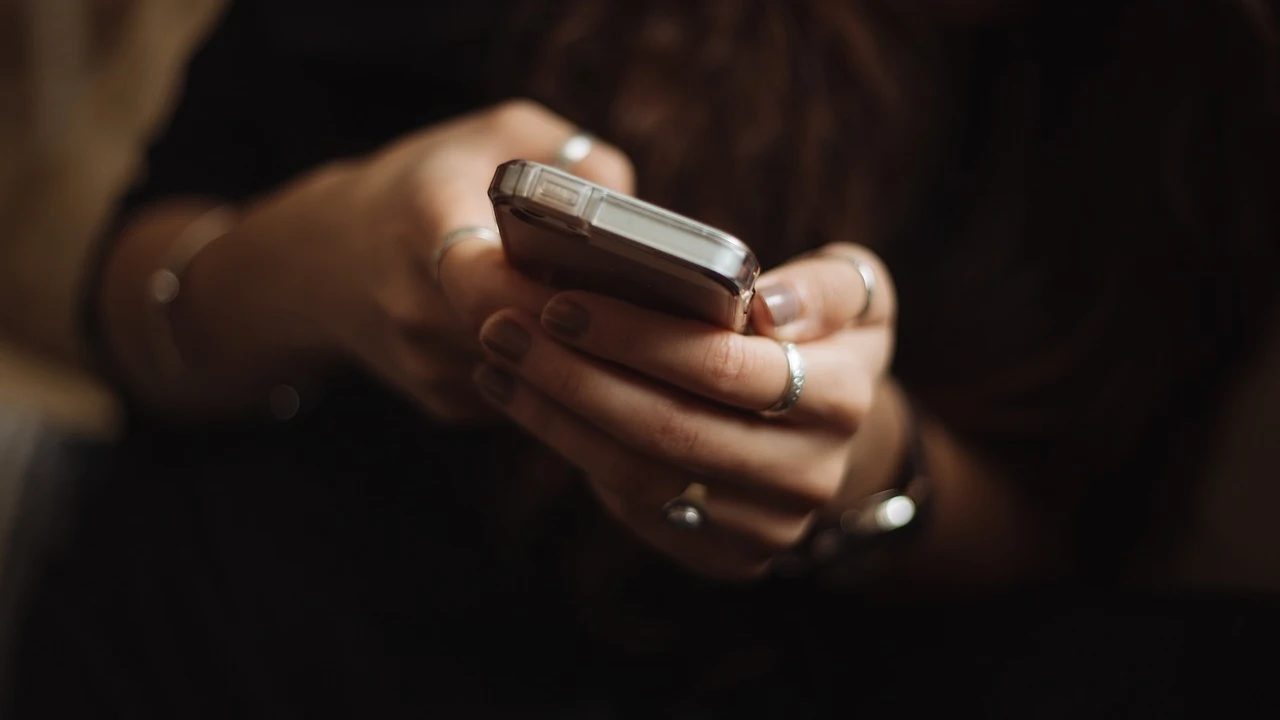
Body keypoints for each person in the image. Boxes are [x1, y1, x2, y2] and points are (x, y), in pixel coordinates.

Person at [13, 0, 1280, 717]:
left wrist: (865, 470)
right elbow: (133, 315)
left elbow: (1079, 546)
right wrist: (343, 252)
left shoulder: (1190, 84)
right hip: (234, 647)